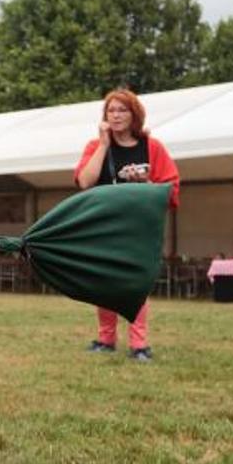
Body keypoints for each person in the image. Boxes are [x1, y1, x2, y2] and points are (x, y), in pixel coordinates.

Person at [74, 89, 181, 360]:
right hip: (105, 226)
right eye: (111, 110)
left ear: (135, 115)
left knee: (136, 283)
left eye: (123, 110)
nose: (117, 115)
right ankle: (105, 338)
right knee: (104, 283)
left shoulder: (152, 147)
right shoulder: (94, 146)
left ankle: (139, 344)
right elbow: (84, 182)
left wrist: (143, 184)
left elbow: (172, 190)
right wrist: (103, 145)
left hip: (139, 228)